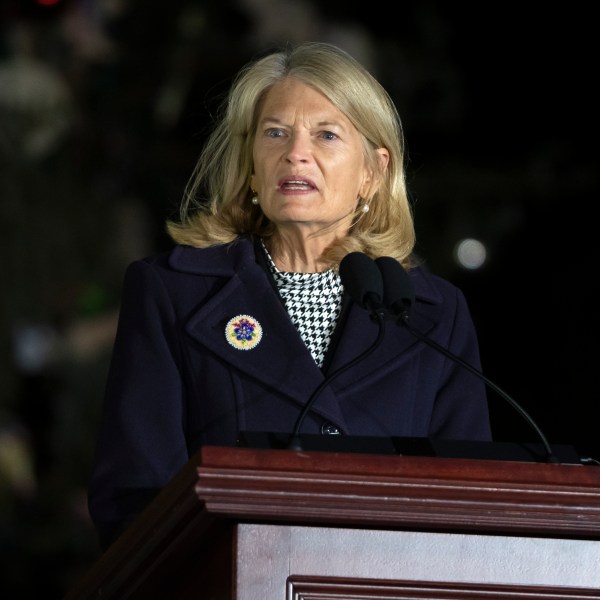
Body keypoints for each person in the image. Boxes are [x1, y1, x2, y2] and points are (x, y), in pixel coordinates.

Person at [87, 41, 492, 551]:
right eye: (275, 133)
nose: (295, 153)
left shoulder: (433, 313)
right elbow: (133, 498)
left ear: (373, 171)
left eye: (326, 135)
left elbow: (471, 503)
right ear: (252, 164)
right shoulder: (173, 292)